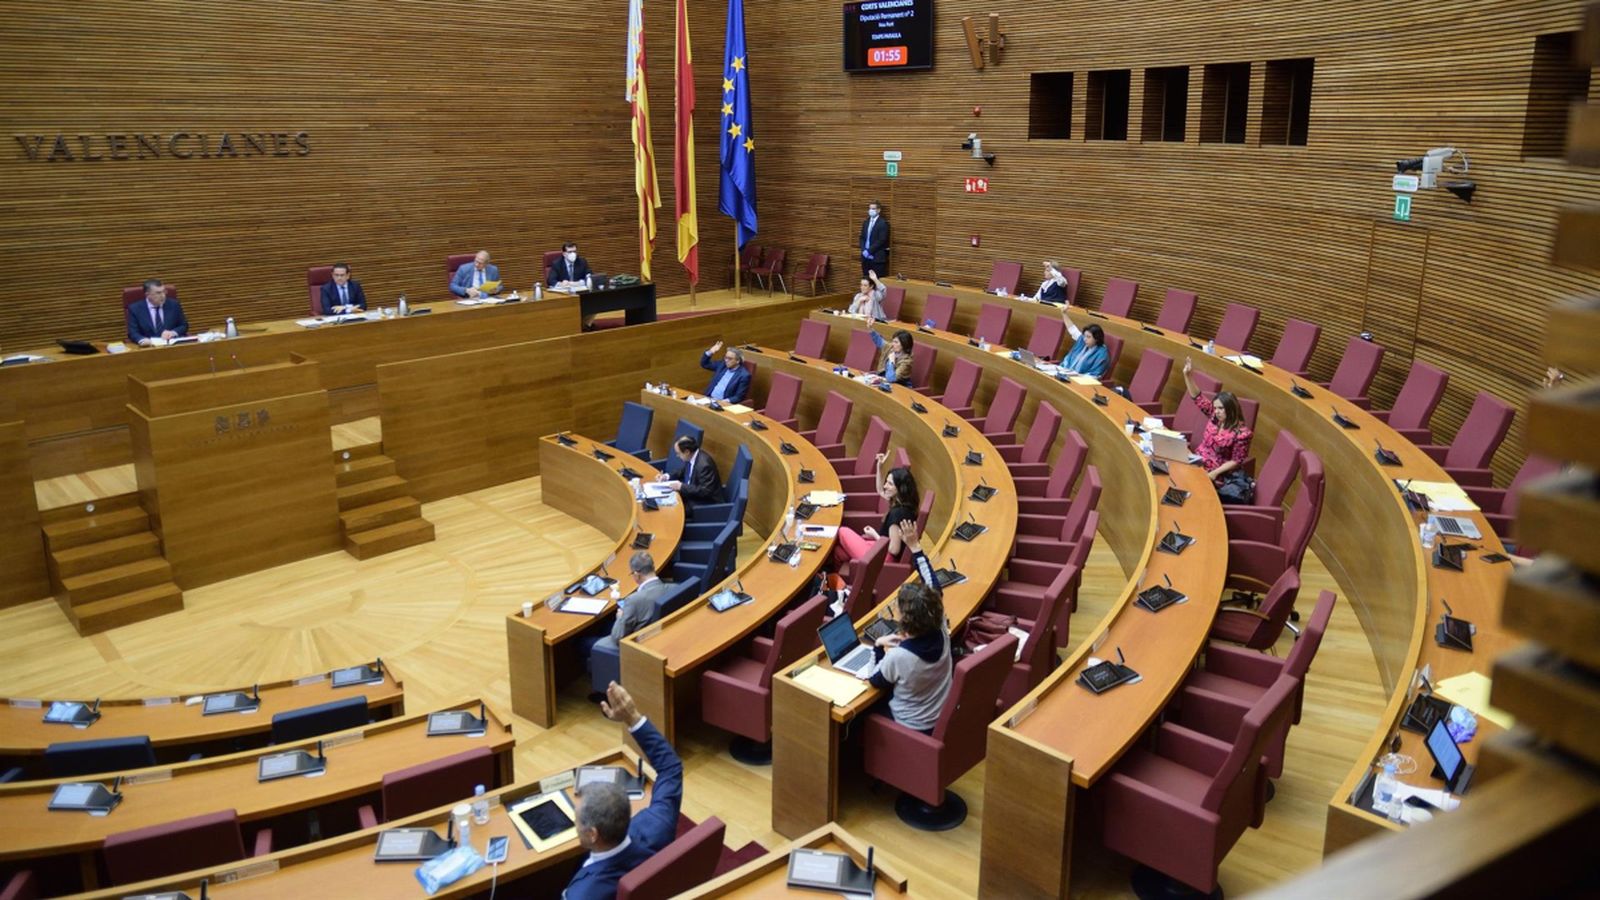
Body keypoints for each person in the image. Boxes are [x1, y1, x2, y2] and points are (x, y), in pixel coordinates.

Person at [564, 682, 683, 900]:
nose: (574, 821)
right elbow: (670, 767)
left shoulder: (582, 894)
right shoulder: (657, 825)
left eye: (577, 818)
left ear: (592, 834)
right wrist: (633, 718)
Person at [866, 578, 952, 735]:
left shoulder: (899, 656)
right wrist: (917, 553)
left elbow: (873, 679)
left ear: (905, 619)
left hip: (910, 727)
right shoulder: (942, 630)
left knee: (861, 716)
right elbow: (935, 586)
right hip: (940, 716)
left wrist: (878, 645)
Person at [1182, 357, 1255, 492]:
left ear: (1231, 409)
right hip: (1197, 461)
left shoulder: (1242, 433)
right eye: (1215, 408)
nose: (1217, 411)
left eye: (1221, 408)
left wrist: (1215, 473)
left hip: (1216, 473)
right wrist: (1188, 376)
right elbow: (1197, 397)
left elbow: (1236, 461)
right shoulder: (1214, 416)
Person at [833, 455, 917, 566]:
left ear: (900, 488)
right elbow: (880, 490)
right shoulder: (903, 503)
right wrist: (879, 466)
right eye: (886, 482)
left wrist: (875, 535)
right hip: (880, 551)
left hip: (883, 558)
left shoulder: (897, 515)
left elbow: (894, 549)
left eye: (890, 484)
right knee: (839, 551)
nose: (885, 486)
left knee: (842, 531)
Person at [590, 552, 670, 658]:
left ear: (637, 574)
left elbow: (617, 637)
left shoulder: (634, 600)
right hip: (656, 634)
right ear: (653, 568)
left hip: (636, 644)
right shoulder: (672, 588)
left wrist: (620, 617)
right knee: (603, 626)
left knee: (580, 642)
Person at [655, 435, 723, 510]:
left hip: (704, 503)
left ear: (687, 452)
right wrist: (666, 476)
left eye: (678, 453)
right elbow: (683, 470)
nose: (677, 456)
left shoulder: (704, 465)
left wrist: (681, 487)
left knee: (668, 509)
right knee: (661, 501)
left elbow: (705, 491)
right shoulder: (692, 456)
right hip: (691, 494)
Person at [126, 279, 189, 346]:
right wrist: (142, 340)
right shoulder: (135, 309)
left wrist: (172, 333)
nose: (163, 295)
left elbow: (184, 325)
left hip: (170, 346)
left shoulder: (174, 304)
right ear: (148, 295)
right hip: (148, 348)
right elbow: (132, 332)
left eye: (164, 291)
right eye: (158, 293)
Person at [1058, 310, 1109, 378]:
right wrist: (1064, 313)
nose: (1085, 339)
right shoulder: (1082, 341)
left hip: (1080, 381)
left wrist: (1077, 376)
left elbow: (1096, 375)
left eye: (1088, 337)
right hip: (1066, 373)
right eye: (1084, 336)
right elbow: (1072, 329)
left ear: (1097, 338)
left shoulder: (1102, 353)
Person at [859, 201, 890, 277]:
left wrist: (869, 251)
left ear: (878, 210)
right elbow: (862, 237)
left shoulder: (883, 223)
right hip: (866, 258)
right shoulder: (866, 222)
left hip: (877, 258)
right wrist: (864, 251)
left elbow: (881, 240)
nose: (871, 210)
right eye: (870, 208)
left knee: (877, 281)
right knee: (866, 279)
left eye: (873, 208)